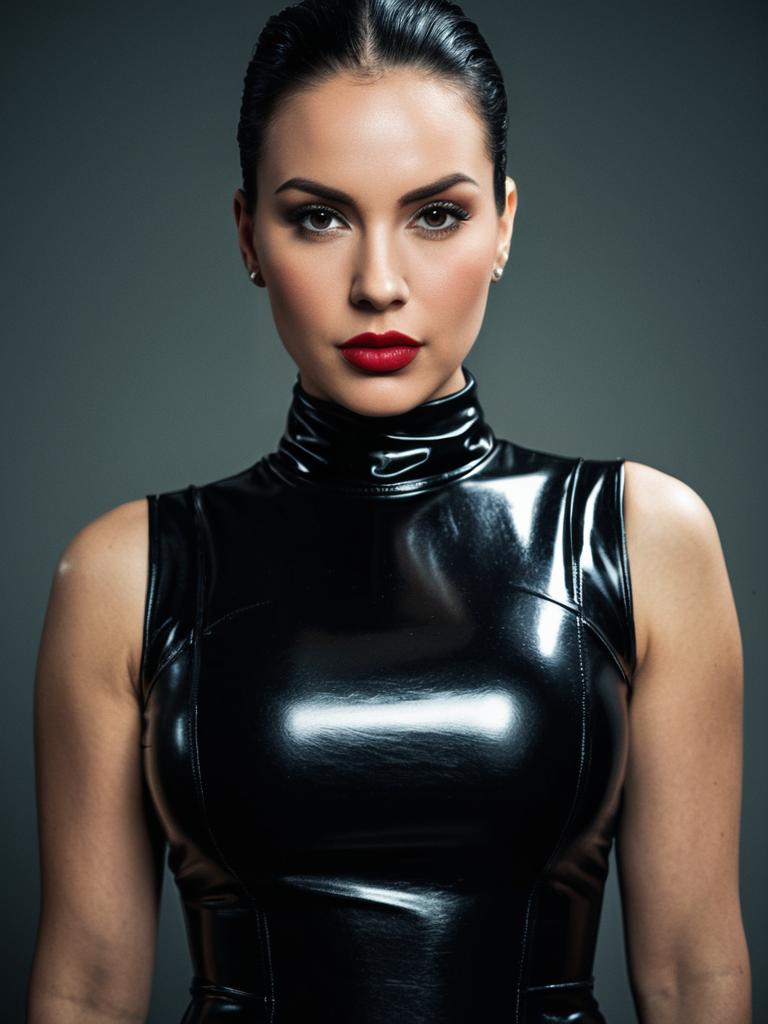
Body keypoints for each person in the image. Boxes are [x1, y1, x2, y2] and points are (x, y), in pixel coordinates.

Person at [26, 1, 751, 1022]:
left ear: (504, 224)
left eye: (436, 215)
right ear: (247, 234)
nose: (378, 284)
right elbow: (89, 991)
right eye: (318, 217)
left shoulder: (642, 538)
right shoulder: (127, 573)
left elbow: (691, 975)